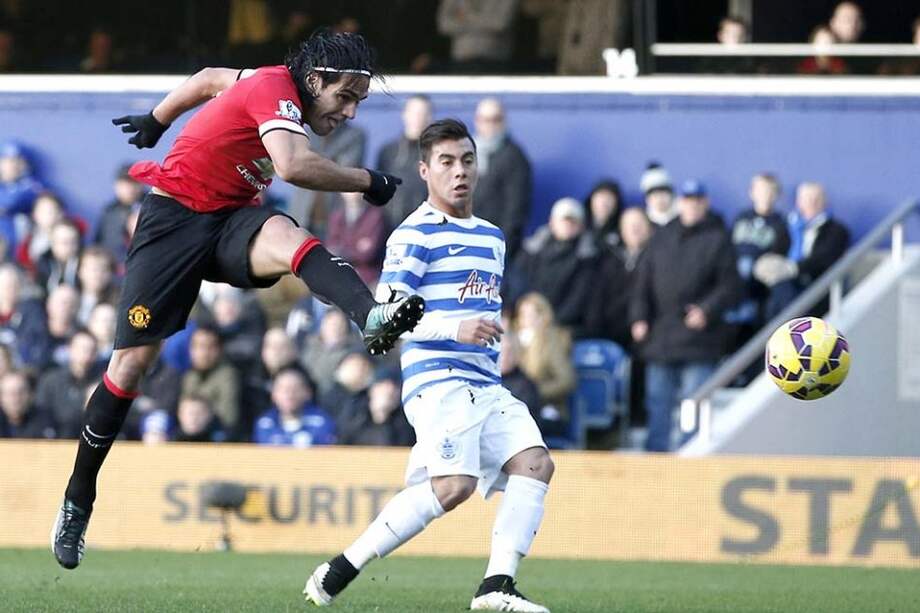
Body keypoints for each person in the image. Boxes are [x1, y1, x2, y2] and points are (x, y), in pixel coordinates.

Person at [52, 30, 425, 571]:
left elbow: (208, 79)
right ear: (314, 80)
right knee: (130, 367)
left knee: (289, 237)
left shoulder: (266, 86)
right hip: (173, 221)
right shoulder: (274, 88)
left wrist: (158, 118)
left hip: (231, 218)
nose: (349, 112)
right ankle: (77, 500)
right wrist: (365, 179)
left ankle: (370, 317)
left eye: (357, 101)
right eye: (345, 96)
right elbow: (292, 166)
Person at [305, 119, 553, 613]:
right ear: (425, 170)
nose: (459, 171)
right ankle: (345, 564)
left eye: (467, 160)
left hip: (485, 381)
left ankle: (496, 585)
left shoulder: (492, 237)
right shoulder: (413, 234)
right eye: (446, 162)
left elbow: (481, 310)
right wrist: (454, 329)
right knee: (454, 486)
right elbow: (385, 317)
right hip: (438, 380)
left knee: (535, 463)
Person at [630, 180, 742, 452]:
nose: (692, 205)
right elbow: (642, 282)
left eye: (697, 200)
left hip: (700, 337)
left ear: (705, 204)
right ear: (680, 203)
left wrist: (707, 310)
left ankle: (692, 455)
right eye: (687, 200)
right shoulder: (661, 236)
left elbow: (731, 286)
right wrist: (639, 317)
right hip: (662, 335)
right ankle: (655, 456)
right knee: (658, 401)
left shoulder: (718, 239)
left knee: (695, 403)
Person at [471, 98, 532, 262]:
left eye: (496, 119)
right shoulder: (467, 153)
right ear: (477, 121)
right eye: (485, 119)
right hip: (466, 243)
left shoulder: (515, 157)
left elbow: (516, 211)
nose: (490, 125)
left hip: (495, 248)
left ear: (504, 121)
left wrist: (500, 248)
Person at [376, 95, 434, 227]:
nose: (418, 118)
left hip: (426, 228)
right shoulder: (388, 152)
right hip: (389, 229)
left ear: (430, 118)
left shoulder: (436, 154)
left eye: (423, 114)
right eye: (414, 113)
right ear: (405, 114)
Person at [252, 366, 337, 447]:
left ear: (308, 393)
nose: (289, 394)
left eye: (295, 388)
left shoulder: (321, 422)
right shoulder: (264, 423)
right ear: (273, 394)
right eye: (283, 388)